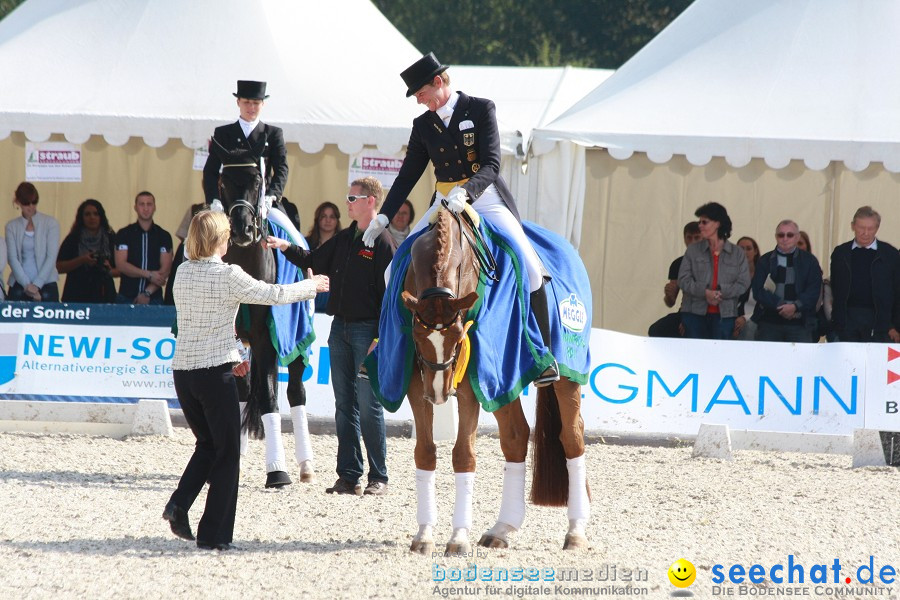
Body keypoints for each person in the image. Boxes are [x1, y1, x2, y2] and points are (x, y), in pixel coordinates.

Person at [360, 52, 558, 386]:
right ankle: (386, 348)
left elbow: (492, 163)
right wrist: (382, 217)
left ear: (438, 82)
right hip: (444, 200)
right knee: (392, 269)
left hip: (484, 197)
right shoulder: (423, 125)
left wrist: (467, 191)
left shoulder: (481, 109)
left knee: (530, 267)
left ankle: (541, 355)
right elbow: (409, 174)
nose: (420, 102)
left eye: (421, 94)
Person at [163, 210, 328, 551]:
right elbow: (274, 295)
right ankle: (214, 535)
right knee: (228, 453)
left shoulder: (181, 272)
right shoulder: (228, 275)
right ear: (219, 240)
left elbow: (207, 320)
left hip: (184, 374)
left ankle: (179, 504)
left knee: (209, 445)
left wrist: (235, 351)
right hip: (214, 374)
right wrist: (311, 287)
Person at [265, 177, 395, 497]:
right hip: (340, 329)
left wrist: (380, 337)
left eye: (353, 197)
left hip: (368, 331)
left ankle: (379, 477)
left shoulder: (383, 243)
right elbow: (312, 259)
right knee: (344, 405)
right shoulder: (344, 238)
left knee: (369, 406)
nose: (347, 202)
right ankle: (349, 476)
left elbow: (391, 296)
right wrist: (285, 247)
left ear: (370, 202)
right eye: (348, 196)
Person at [203, 80, 288, 212]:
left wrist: (272, 195)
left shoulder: (273, 134)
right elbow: (210, 170)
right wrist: (214, 199)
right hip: (229, 201)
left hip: (262, 201)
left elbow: (281, 169)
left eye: (256, 103)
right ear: (238, 102)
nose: (251, 107)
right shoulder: (223, 133)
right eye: (246, 102)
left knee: (287, 230)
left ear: (263, 104)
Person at [678, 202, 750, 339]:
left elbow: (743, 283)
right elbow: (683, 280)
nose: (700, 225)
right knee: (695, 356)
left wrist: (720, 293)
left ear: (717, 223)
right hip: (694, 313)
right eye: (699, 222)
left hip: (725, 315)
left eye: (704, 222)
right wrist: (705, 293)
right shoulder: (693, 251)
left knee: (720, 357)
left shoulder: (737, 253)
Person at [829, 206, 900, 342]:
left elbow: (898, 292)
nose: (865, 233)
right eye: (861, 228)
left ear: (877, 228)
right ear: (853, 226)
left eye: (870, 228)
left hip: (880, 322)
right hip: (847, 319)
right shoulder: (840, 253)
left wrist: (896, 326)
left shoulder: (890, 254)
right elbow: (836, 287)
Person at [750, 220, 822, 343]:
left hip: (800, 324)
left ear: (797, 237)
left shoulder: (810, 261)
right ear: (775, 237)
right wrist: (779, 305)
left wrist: (795, 306)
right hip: (769, 323)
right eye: (781, 235)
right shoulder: (765, 261)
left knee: (800, 361)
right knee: (769, 361)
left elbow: (813, 291)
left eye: (790, 235)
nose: (785, 238)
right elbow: (757, 290)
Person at [115, 191, 173, 305]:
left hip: (154, 298)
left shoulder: (163, 236)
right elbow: (121, 264)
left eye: (149, 204)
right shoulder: (124, 234)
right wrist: (149, 274)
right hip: (126, 296)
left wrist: (147, 293)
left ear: (155, 207)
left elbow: (165, 270)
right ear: (135, 207)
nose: (145, 208)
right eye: (142, 204)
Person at [5, 182, 60, 302]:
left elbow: (51, 256)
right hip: (19, 282)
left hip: (47, 281)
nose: (31, 206)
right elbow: (12, 258)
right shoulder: (11, 226)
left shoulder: (51, 223)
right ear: (18, 202)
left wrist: (37, 284)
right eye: (26, 203)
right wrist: (26, 284)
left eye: (34, 202)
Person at [56, 199, 119, 303]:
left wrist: (109, 269)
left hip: (104, 293)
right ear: (82, 217)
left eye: (96, 214)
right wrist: (81, 260)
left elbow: (123, 269)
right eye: (87, 214)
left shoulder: (111, 238)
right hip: (76, 293)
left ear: (101, 217)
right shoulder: (73, 239)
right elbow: (58, 267)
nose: (92, 217)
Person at [647, 221, 700, 338]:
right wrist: (669, 295)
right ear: (684, 238)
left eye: (697, 238)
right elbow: (670, 302)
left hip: (707, 314)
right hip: (685, 312)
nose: (692, 242)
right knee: (656, 330)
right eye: (689, 238)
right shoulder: (678, 264)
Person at [307, 201, 342, 313]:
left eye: (332, 217)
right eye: (324, 216)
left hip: (334, 298)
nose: (328, 220)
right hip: (312, 296)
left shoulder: (344, 243)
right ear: (317, 219)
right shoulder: (306, 243)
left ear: (337, 221)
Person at [734, 236, 760, 340]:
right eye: (741, 249)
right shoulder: (728, 274)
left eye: (748, 249)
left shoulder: (764, 275)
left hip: (755, 319)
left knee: (749, 327)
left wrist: (745, 318)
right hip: (732, 318)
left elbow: (766, 306)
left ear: (755, 251)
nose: (744, 252)